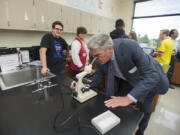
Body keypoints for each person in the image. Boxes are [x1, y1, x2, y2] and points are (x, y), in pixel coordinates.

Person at [71, 34, 169, 135]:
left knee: (145, 109)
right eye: (93, 56)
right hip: (128, 80)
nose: (95, 59)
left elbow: (151, 76)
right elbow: (98, 76)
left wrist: (128, 98)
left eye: (97, 56)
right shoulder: (100, 55)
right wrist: (81, 83)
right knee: (117, 104)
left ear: (109, 48)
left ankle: (140, 131)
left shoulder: (129, 47)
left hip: (148, 80)